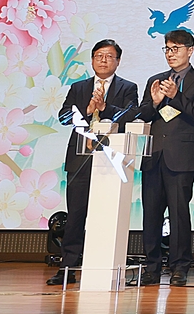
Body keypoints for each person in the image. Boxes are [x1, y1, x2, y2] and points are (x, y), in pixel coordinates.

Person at [47, 40, 139, 286]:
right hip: (80, 160)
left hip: (110, 160)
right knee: (76, 215)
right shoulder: (79, 87)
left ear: (118, 61)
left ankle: (101, 266)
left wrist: (105, 107)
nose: (103, 60)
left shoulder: (128, 87)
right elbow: (64, 117)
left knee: (106, 215)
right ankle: (67, 268)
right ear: (92, 60)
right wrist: (87, 110)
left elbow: (131, 115)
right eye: (99, 55)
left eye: (109, 56)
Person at [133, 30, 194, 286]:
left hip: (182, 158)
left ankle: (180, 266)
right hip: (154, 155)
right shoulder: (155, 80)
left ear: (190, 50)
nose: (171, 53)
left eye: (176, 48)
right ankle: (152, 267)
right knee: (151, 215)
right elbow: (143, 114)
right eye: (167, 49)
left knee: (179, 214)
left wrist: (176, 96)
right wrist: (156, 102)